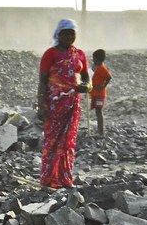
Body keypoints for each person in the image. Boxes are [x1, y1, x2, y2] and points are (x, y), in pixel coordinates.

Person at [37, 19, 89, 189]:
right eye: (65, 33)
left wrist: (86, 87)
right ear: (58, 35)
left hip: (73, 103)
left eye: (72, 33)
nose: (68, 36)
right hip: (54, 104)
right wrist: (41, 105)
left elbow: (87, 78)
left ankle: (65, 178)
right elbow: (43, 80)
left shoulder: (79, 54)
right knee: (52, 141)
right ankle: (48, 179)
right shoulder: (50, 54)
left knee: (68, 142)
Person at [89, 49, 113, 137]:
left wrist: (103, 86)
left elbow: (109, 77)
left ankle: (101, 132)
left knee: (98, 111)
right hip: (95, 93)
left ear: (98, 59)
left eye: (94, 58)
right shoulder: (97, 67)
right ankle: (100, 131)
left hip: (100, 94)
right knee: (97, 111)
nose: (93, 59)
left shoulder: (102, 68)